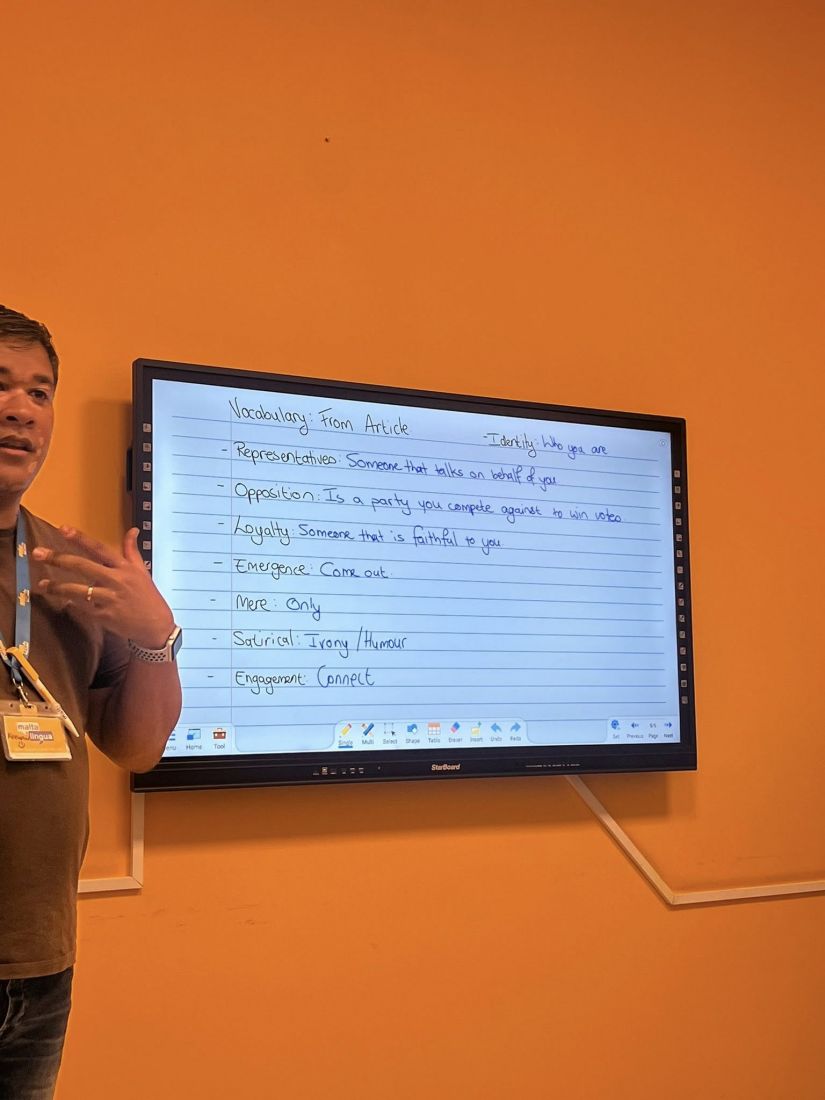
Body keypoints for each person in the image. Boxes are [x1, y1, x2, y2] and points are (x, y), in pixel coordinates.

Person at [0, 305, 182, 1098]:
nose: (21, 409)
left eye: (39, 392)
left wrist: (154, 635)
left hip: (38, 964)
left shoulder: (66, 571)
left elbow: (136, 746)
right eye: (0, 385)